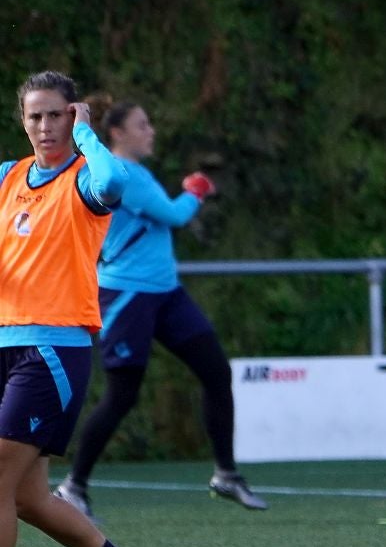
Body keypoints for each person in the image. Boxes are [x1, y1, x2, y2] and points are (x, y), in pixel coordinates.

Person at [1, 70, 165, 547]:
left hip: (51, 351)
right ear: (22, 121)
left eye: (56, 115)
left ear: (73, 117)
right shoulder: (8, 178)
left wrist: (90, 136)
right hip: (5, 343)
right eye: (34, 116)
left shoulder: (85, 182)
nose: (45, 127)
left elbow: (116, 182)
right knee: (27, 497)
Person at [51, 97, 266, 516]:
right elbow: (173, 215)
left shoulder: (138, 173)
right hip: (126, 297)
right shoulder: (122, 173)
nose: (151, 131)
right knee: (122, 395)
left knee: (216, 372)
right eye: (142, 124)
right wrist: (196, 192)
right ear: (117, 133)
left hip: (165, 293)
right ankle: (73, 486)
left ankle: (226, 473)